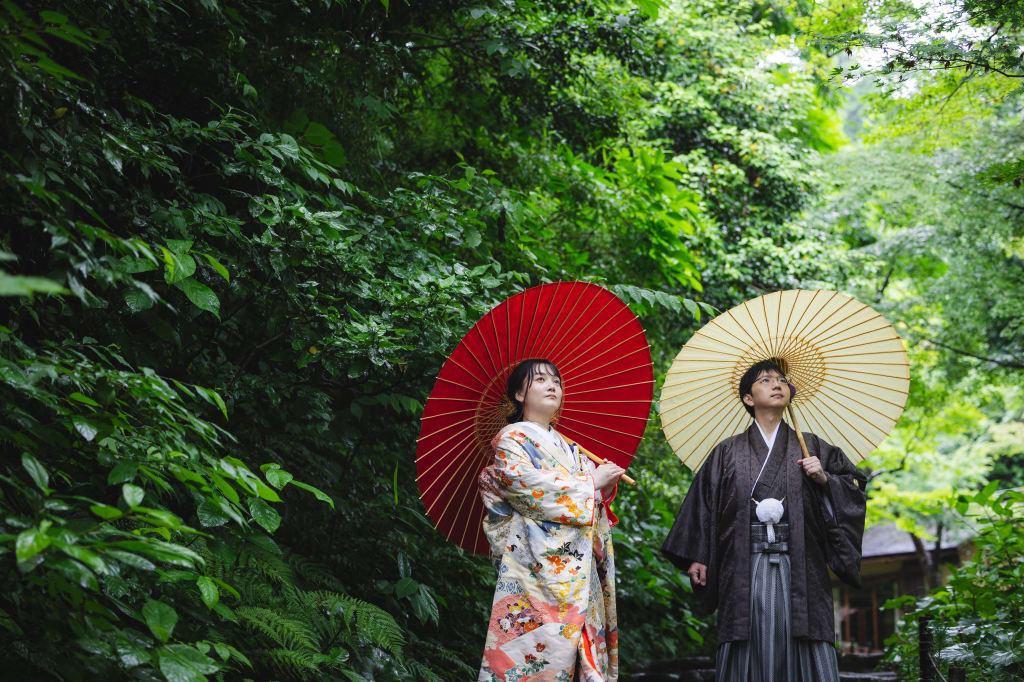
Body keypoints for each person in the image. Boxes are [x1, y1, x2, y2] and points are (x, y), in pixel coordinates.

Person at [662, 359, 867, 681]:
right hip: (743, 564)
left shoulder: (811, 446)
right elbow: (703, 505)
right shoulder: (726, 452)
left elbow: (854, 489)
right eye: (766, 380)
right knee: (748, 633)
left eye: (782, 380)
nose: (777, 384)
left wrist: (825, 478)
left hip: (801, 562)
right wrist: (698, 557)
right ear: (747, 398)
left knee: (805, 631)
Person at [478, 358, 625, 682]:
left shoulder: (569, 448)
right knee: (539, 657)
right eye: (541, 380)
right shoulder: (511, 439)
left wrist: (600, 486)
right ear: (519, 393)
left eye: (556, 381)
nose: (552, 386)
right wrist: (590, 484)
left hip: (579, 568)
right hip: (535, 567)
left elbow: (587, 506)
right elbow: (521, 485)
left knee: (579, 657)